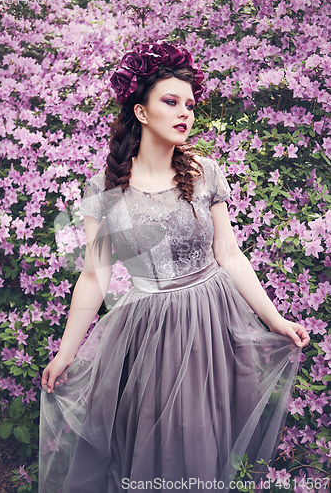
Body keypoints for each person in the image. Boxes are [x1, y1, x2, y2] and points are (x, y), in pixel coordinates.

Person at [40, 42, 310, 493]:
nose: (185, 112)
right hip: (154, 332)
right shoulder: (105, 193)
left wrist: (275, 319)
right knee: (165, 438)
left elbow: (229, 253)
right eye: (171, 101)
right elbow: (94, 276)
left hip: (214, 318)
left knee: (209, 431)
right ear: (142, 113)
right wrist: (68, 352)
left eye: (189, 103)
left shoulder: (204, 171)